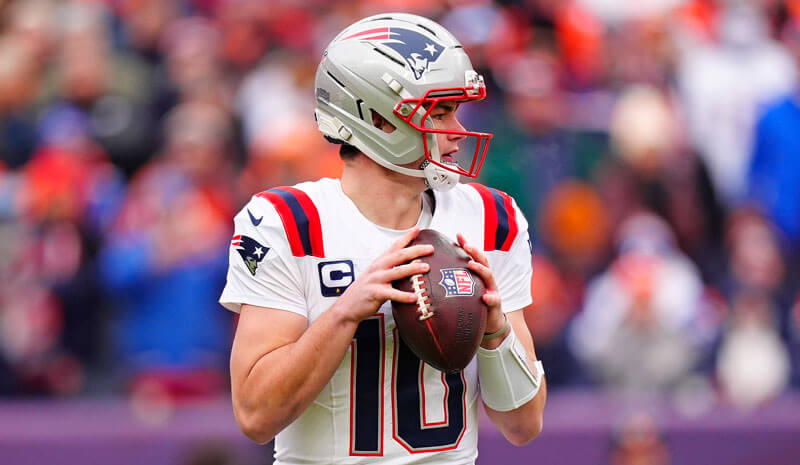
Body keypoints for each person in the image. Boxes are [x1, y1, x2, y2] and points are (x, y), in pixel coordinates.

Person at [219, 13, 546, 464]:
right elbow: (256, 416)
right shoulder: (288, 222)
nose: (458, 132)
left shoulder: (491, 217)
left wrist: (496, 332)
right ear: (377, 118)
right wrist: (345, 312)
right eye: (440, 113)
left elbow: (524, 425)